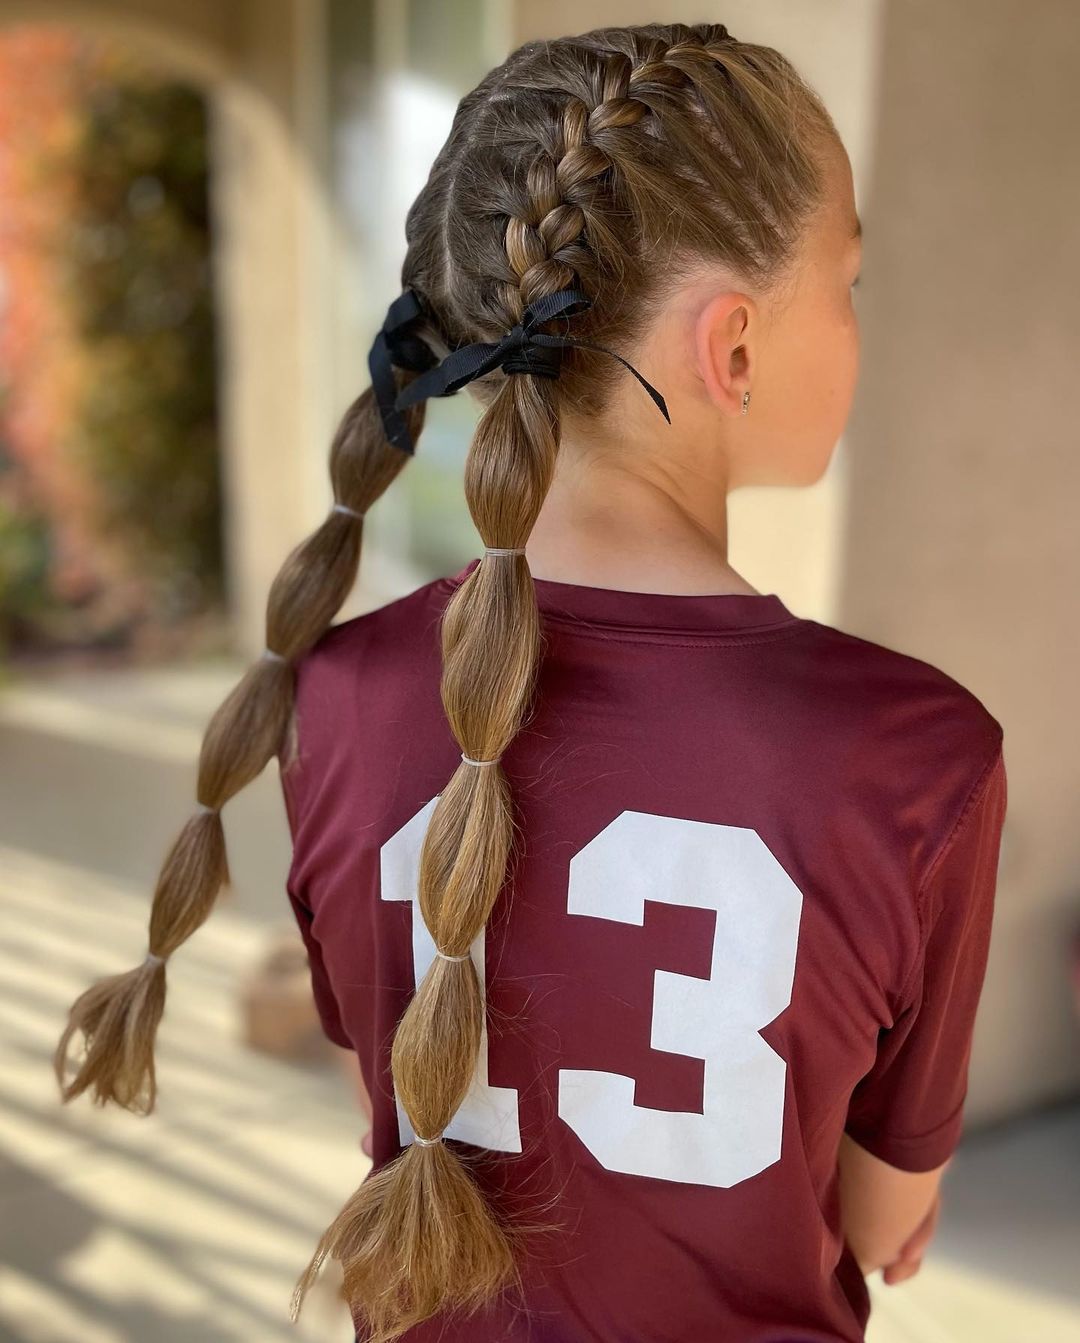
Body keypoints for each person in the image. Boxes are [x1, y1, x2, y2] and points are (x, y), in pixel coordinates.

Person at [53, 21, 1009, 1343]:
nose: (858, 318)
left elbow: (393, 1104)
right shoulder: (918, 753)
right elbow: (880, 1221)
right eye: (849, 279)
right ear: (732, 347)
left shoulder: (332, 696)